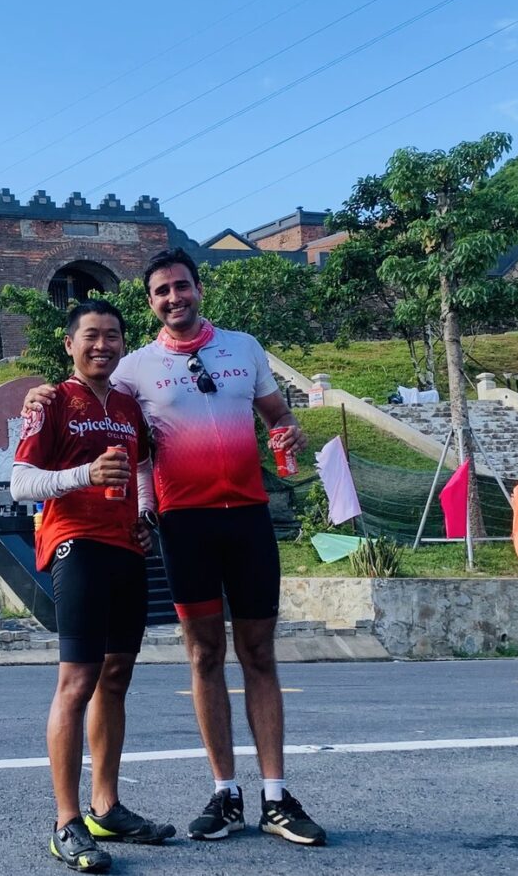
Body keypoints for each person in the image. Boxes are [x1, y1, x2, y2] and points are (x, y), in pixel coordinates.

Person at [25, 248, 326, 847]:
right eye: (161, 292)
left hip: (247, 518)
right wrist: (39, 393)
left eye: (181, 287)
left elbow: (278, 418)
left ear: (198, 289)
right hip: (183, 525)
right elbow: (102, 406)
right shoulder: (135, 368)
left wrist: (291, 432)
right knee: (203, 655)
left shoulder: (245, 348)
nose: (173, 298)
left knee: (260, 653)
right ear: (150, 303)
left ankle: (275, 794)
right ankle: (225, 793)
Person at [11, 299, 175, 873]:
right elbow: (20, 483)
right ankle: (66, 821)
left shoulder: (130, 407)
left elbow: (146, 467)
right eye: (90, 336)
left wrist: (146, 515)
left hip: (125, 548)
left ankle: (106, 807)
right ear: (69, 344)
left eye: (111, 336)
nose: (101, 345)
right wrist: (84, 475)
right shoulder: (51, 401)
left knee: (117, 677)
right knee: (76, 680)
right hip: (74, 542)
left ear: (122, 344)